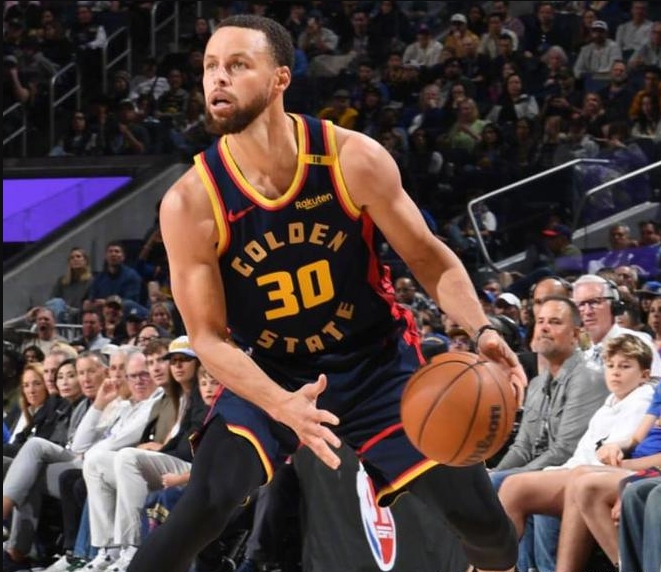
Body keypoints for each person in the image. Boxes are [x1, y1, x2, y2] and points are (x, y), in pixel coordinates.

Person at [126, 15, 526, 572]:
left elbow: (429, 259)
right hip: (272, 371)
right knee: (207, 502)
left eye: (238, 65)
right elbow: (208, 339)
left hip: (376, 366)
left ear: (280, 78)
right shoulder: (190, 201)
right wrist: (281, 403)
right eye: (211, 66)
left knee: (487, 529)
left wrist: (481, 330)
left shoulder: (350, 158)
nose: (218, 78)